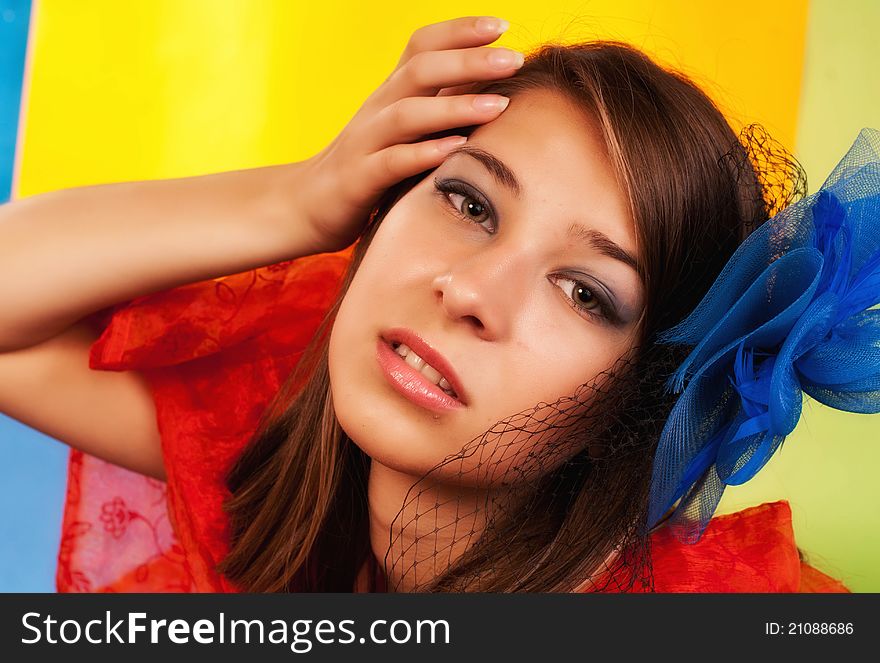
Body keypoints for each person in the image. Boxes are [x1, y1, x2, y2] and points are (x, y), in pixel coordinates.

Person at [0, 16, 869, 593]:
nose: (470, 291)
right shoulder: (273, 424)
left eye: (584, 293)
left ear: (638, 402)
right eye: (470, 204)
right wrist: (297, 200)